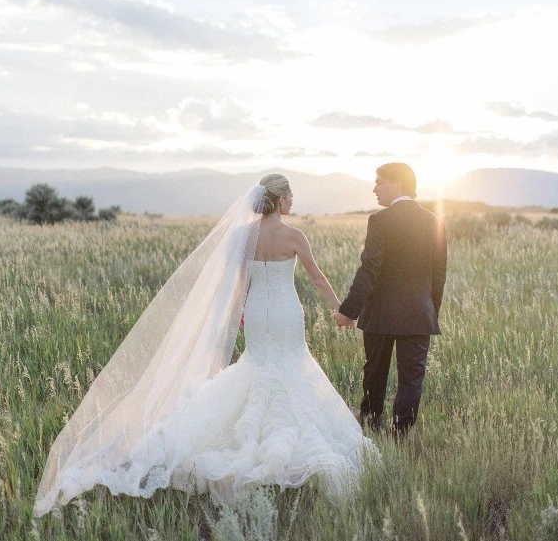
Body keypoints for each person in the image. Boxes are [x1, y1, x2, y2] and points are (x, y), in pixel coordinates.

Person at [34, 174, 375, 515]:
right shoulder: (294, 236)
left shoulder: (243, 235)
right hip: (286, 311)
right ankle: (280, 439)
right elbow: (316, 277)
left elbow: (236, 283)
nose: (292, 202)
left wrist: (240, 311)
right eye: (291, 196)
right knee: (290, 366)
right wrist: (340, 310)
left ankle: (248, 433)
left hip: (257, 311)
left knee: (257, 367)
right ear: (282, 199)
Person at [332, 163, 447, 438]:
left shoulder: (380, 220)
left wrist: (348, 311)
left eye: (379, 182)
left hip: (380, 315)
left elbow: (369, 269)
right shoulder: (434, 222)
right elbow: (438, 277)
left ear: (397, 183)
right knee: (411, 380)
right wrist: (430, 312)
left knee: (374, 376)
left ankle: (370, 429)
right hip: (419, 315)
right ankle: (399, 436)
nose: (374, 188)